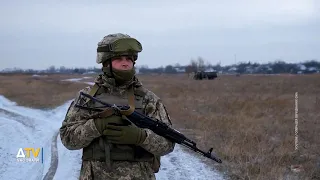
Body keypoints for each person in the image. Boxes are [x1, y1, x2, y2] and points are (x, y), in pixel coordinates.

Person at [59, 33, 175, 180]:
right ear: (106, 63)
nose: (125, 63)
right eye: (119, 59)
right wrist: (97, 126)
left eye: (129, 59)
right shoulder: (87, 98)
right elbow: (68, 139)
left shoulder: (149, 100)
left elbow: (168, 145)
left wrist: (140, 137)